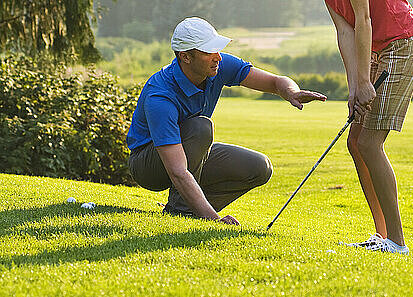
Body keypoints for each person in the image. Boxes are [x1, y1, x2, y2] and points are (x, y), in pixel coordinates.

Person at [266, 0, 413, 254]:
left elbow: (363, 16)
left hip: (401, 42)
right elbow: (343, 28)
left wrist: (365, 80)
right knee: (355, 142)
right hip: (372, 48)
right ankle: (381, 234)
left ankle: (397, 243)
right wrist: (354, 86)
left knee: (370, 143)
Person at [126, 17, 326, 225]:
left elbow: (275, 82)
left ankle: (186, 209)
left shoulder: (217, 66)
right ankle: (183, 211)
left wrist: (291, 92)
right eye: (208, 52)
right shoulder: (160, 97)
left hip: (188, 153)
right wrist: (215, 220)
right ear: (185, 57)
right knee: (200, 128)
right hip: (148, 164)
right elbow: (177, 171)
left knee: (259, 167)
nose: (218, 57)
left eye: (217, 49)